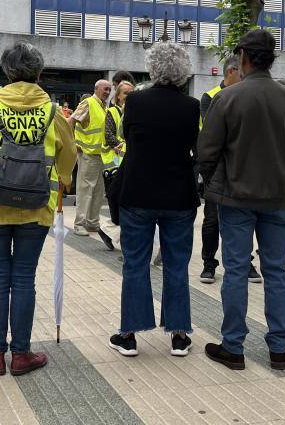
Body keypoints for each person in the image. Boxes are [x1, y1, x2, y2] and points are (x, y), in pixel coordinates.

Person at [198, 30, 285, 371]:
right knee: (276, 271)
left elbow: (207, 152)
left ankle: (233, 346)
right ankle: (279, 347)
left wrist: (216, 182)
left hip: (236, 198)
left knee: (235, 271)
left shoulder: (228, 98)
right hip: (278, 198)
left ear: (243, 57)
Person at [0, 42, 76, 376]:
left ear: (7, 72)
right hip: (36, 206)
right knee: (24, 277)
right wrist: (62, 179)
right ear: (39, 73)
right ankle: (22, 354)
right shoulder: (52, 111)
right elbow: (68, 157)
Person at [107, 42, 199, 358]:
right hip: (178, 193)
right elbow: (193, 145)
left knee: (135, 263)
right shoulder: (192, 106)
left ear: (153, 69)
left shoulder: (135, 101)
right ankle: (178, 334)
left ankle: (129, 333)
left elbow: (127, 136)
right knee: (177, 264)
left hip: (138, 191)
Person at [199, 57, 261, 284]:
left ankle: (245, 262)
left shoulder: (249, 94)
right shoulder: (210, 96)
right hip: (218, 168)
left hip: (244, 166)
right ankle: (209, 264)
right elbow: (214, 131)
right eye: (242, 73)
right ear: (232, 71)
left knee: (245, 218)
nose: (245, 77)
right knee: (213, 219)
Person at [69, 79, 111, 235]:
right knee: (85, 190)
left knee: (98, 191)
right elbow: (71, 120)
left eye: (109, 89)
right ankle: (79, 223)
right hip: (87, 154)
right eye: (105, 89)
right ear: (96, 89)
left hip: (100, 155)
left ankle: (93, 222)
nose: (107, 92)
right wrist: (71, 143)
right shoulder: (88, 103)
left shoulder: (104, 106)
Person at [99, 80, 135, 250]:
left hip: (130, 164)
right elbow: (108, 136)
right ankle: (110, 231)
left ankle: (108, 231)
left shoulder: (136, 111)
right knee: (119, 204)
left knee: (127, 205)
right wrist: (124, 144)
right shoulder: (112, 112)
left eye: (131, 92)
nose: (129, 96)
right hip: (114, 165)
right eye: (126, 93)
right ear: (118, 96)